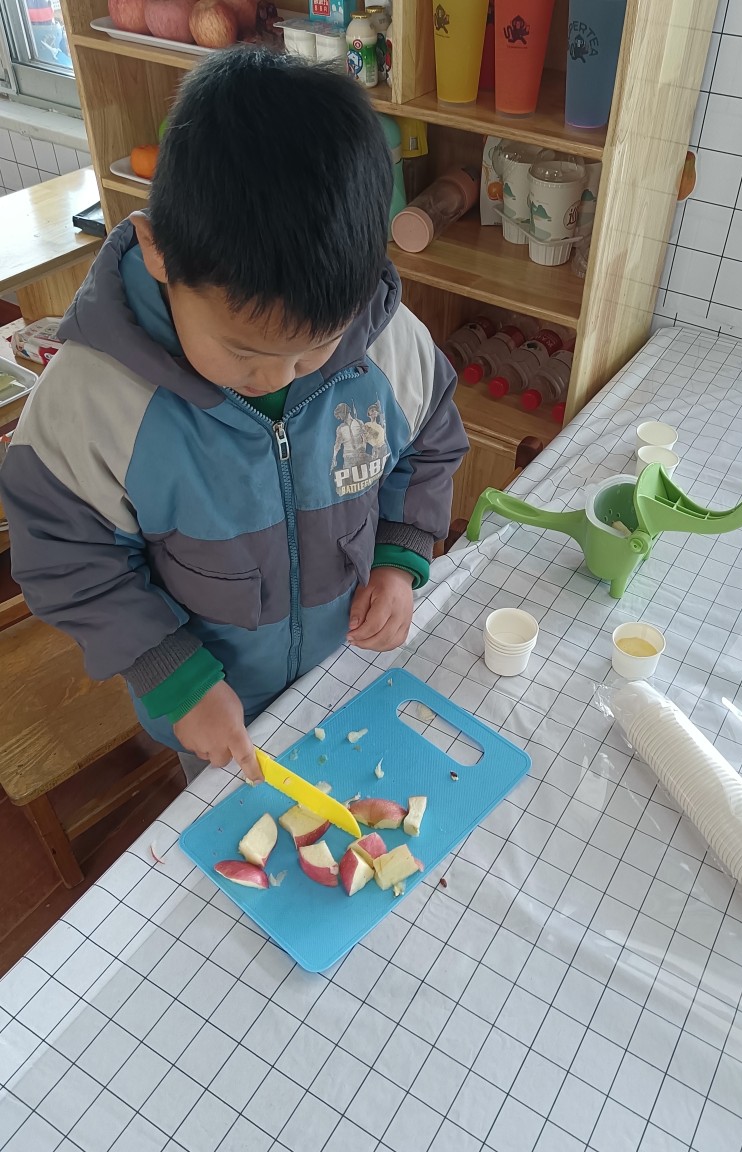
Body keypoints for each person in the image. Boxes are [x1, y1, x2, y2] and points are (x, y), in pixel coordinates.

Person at [0, 48, 468, 783]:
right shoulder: (98, 395)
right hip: (214, 711)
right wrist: (173, 677)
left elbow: (431, 440)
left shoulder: (382, 342)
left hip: (344, 674)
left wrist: (401, 554)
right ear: (159, 252)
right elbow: (64, 553)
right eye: (245, 352)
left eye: (315, 348)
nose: (277, 378)